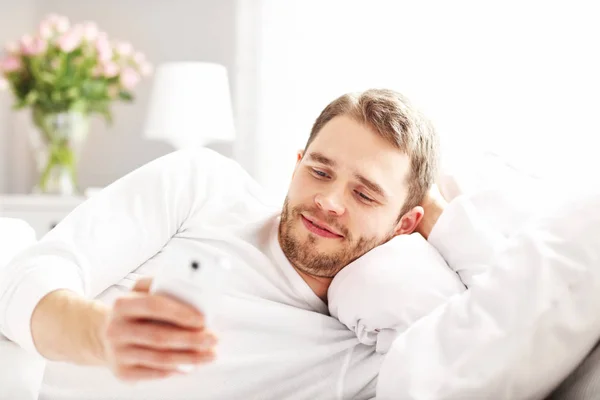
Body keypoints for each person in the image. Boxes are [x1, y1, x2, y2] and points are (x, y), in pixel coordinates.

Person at [0, 88, 443, 399]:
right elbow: (30, 274)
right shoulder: (206, 185)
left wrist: (445, 220)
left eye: (363, 194)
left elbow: (498, 329)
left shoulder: (359, 354)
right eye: (320, 171)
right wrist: (101, 334)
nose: (328, 201)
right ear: (296, 166)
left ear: (406, 223)